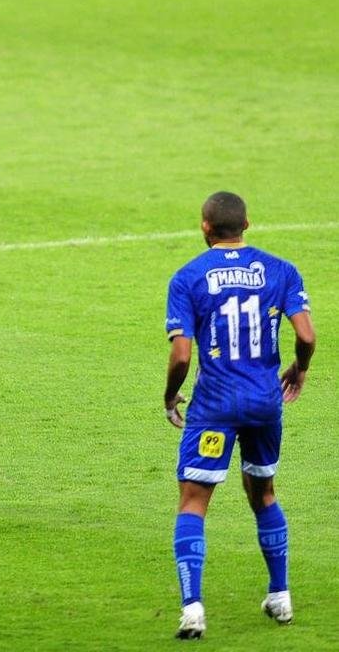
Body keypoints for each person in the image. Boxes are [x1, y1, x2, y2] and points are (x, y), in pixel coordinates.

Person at [163, 192, 315, 638]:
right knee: (263, 493)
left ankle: (193, 610)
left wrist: (171, 397)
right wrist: (299, 369)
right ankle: (281, 595)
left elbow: (181, 355)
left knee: (194, 502)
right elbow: (306, 334)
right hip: (265, 402)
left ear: (204, 226)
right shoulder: (280, 270)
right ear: (246, 223)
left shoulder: (188, 277)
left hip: (213, 406)